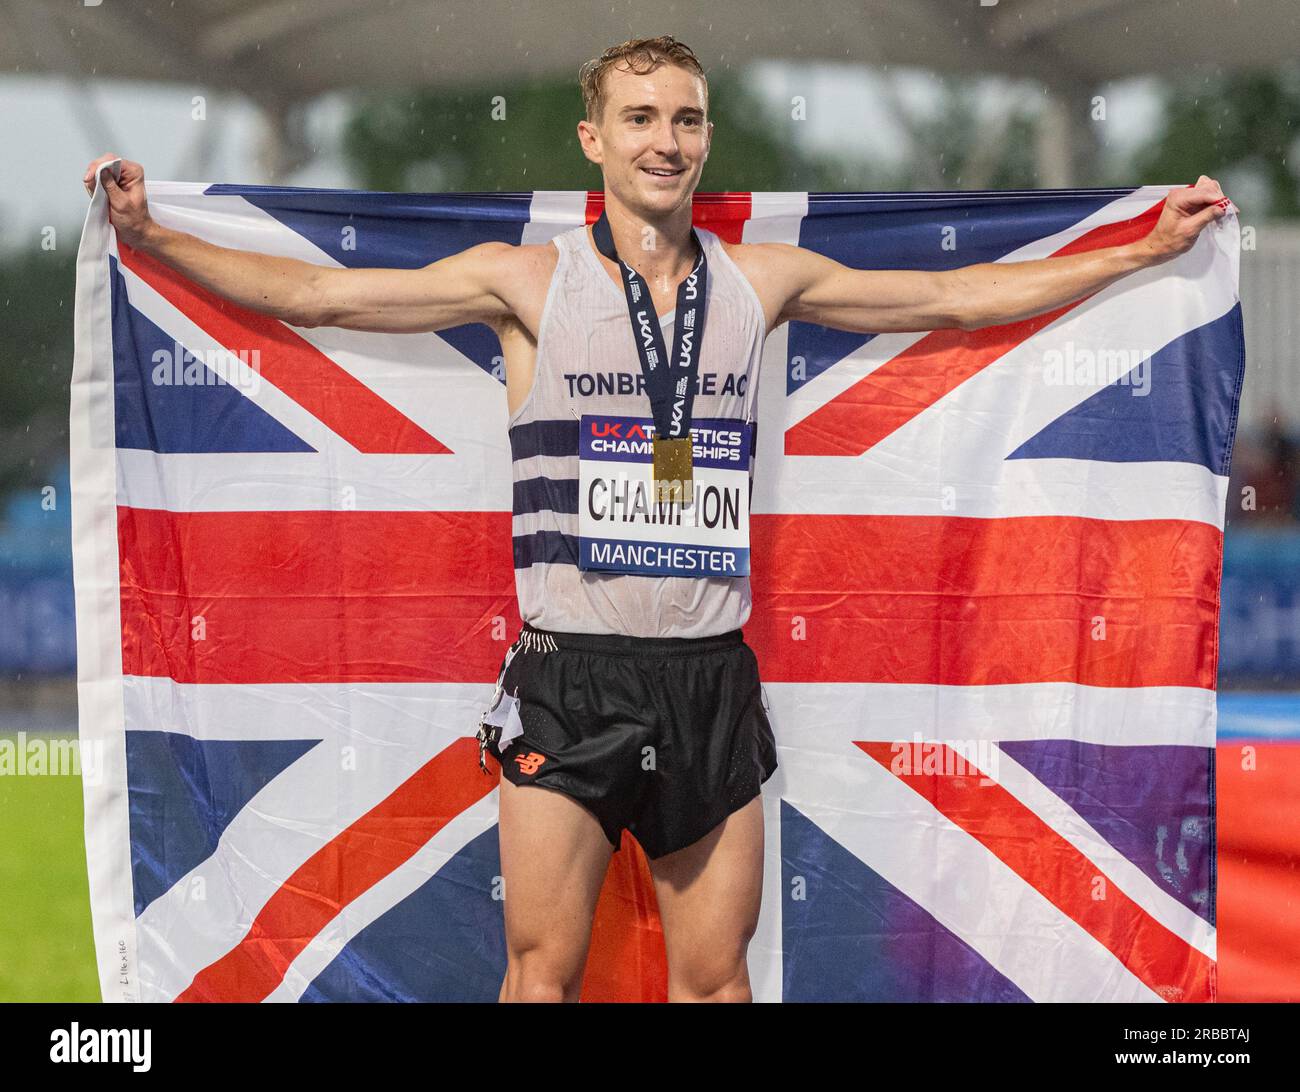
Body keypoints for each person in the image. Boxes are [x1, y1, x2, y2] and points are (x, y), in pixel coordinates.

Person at [82, 34, 1232, 1004]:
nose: (663, 140)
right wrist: (155, 236)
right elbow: (323, 294)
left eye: (684, 119)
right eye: (638, 118)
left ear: (706, 139)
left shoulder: (763, 282)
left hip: (707, 680)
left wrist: (1143, 248)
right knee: (543, 970)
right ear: (594, 140)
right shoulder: (522, 283)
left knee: (715, 978)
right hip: (569, 678)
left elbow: (950, 295)